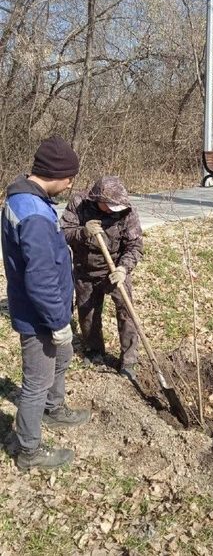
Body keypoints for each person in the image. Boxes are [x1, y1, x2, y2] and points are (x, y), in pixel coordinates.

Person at [1, 135, 91, 471]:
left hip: (44, 309)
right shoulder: (34, 215)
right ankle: (29, 451)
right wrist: (56, 323)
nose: (70, 184)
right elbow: (39, 279)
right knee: (35, 381)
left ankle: (55, 409)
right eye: (69, 178)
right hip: (39, 315)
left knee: (63, 356)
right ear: (55, 174)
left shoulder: (25, 200)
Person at [61, 176, 143, 378]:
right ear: (97, 199)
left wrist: (123, 269)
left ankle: (129, 359)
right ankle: (94, 349)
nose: (114, 209)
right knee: (88, 312)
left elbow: (135, 245)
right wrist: (82, 232)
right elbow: (62, 233)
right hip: (85, 270)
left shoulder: (127, 211)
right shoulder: (78, 203)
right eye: (109, 206)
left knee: (126, 312)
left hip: (114, 269)